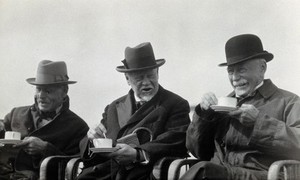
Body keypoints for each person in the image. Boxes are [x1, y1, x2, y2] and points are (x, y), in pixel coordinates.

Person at [181, 34, 300, 180]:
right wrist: (203, 116)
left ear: (262, 68)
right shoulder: (222, 106)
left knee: (204, 171)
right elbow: (198, 151)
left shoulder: (288, 101)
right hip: (220, 173)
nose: (235, 78)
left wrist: (259, 122)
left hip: (261, 175)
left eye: (242, 70)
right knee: (204, 170)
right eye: (231, 71)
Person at [77, 42, 191, 180]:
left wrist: (138, 154)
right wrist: (92, 139)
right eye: (139, 78)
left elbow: (176, 140)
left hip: (147, 173)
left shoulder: (175, 104)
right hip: (109, 173)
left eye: (151, 75)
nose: (147, 82)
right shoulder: (113, 107)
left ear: (158, 73)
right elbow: (93, 147)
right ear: (127, 79)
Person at [0, 60, 89, 180]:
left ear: (64, 91)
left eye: (48, 91)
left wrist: (46, 149)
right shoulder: (16, 113)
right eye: (38, 89)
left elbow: (75, 165)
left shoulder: (77, 127)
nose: (41, 96)